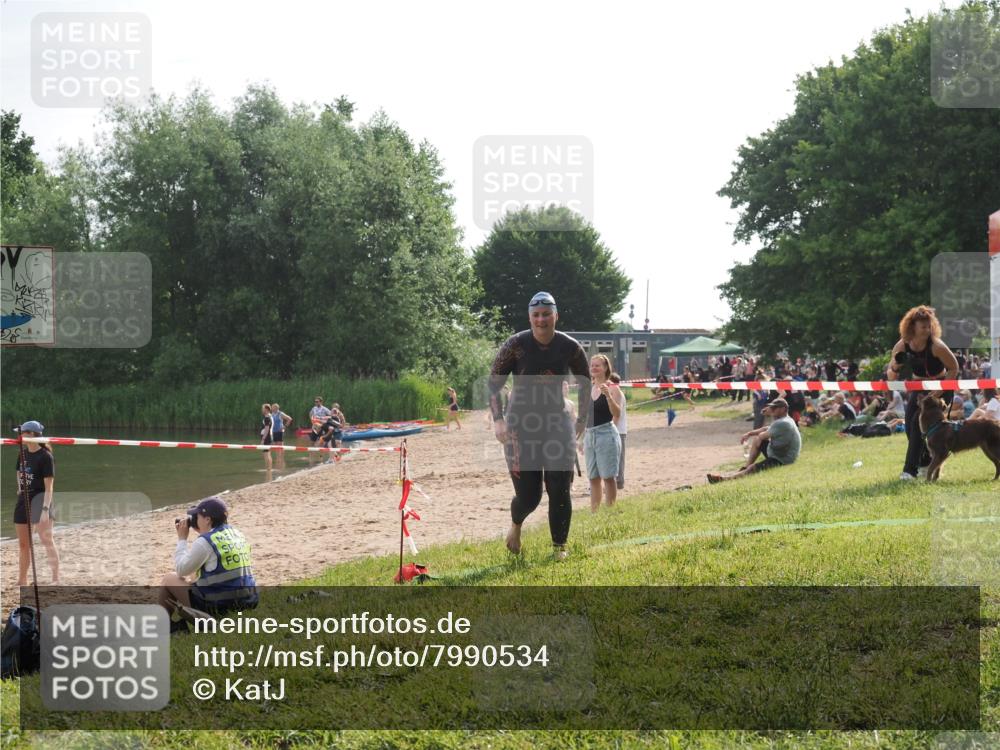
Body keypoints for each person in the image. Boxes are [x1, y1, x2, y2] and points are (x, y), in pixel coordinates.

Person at [489, 291, 589, 561]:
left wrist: (582, 419)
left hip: (557, 421)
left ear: (556, 316)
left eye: (546, 314)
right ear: (530, 317)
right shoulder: (515, 345)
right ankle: (516, 525)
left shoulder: (569, 346)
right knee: (529, 497)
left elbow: (586, 381)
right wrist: (498, 420)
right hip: (520, 426)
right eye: (536, 315)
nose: (541, 320)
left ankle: (559, 547)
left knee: (559, 485)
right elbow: (493, 383)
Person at [887, 305, 959, 480]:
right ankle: (927, 463)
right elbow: (891, 376)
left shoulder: (937, 346)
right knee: (910, 428)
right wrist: (895, 366)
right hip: (919, 388)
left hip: (940, 387)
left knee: (915, 422)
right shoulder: (902, 345)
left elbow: (954, 368)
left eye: (929, 326)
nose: (927, 330)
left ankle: (909, 471)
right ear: (912, 327)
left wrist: (939, 390)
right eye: (923, 327)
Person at [158, 496, 258, 621]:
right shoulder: (238, 534)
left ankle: (162, 624)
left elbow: (181, 570)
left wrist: (182, 539)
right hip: (248, 601)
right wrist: (202, 531)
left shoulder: (205, 541)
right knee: (193, 577)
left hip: (219, 607)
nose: (195, 520)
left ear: (207, 519)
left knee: (168, 579)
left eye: (197, 516)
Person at [707, 398, 801, 483]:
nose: (772, 409)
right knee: (757, 440)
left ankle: (724, 479)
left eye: (774, 408)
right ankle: (745, 468)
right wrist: (749, 434)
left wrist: (769, 416)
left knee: (753, 468)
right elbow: (766, 428)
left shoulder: (782, 423)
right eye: (771, 407)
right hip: (780, 453)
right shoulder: (785, 419)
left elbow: (762, 436)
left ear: (783, 409)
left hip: (783, 459)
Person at [13, 420, 60, 585]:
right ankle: (22, 580)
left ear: (31, 434)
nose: (19, 436)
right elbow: (18, 472)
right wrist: (20, 487)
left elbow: (49, 487)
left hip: (41, 500)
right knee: (24, 544)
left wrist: (45, 510)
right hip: (23, 500)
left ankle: (55, 578)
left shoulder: (45, 456)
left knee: (47, 540)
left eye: (22, 433)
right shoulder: (22, 453)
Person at [585, 355, 623, 511]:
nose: (594, 368)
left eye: (597, 365)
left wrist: (608, 396)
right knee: (593, 478)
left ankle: (610, 512)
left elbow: (617, 413)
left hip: (606, 434)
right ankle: (595, 513)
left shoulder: (613, 388)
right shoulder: (588, 388)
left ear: (606, 367)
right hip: (589, 435)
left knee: (608, 477)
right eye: (592, 365)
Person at [609, 373, 628, 490]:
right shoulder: (614, 394)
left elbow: (617, 415)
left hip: (619, 430)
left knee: (619, 458)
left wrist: (611, 429)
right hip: (617, 429)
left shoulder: (618, 394)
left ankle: (619, 482)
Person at [270, 403, 292, 469]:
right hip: (273, 432)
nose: (271, 408)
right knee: (275, 445)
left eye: (273, 407)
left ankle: (281, 459)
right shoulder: (272, 414)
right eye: (271, 407)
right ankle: (278, 458)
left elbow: (289, 419)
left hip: (279, 431)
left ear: (276, 408)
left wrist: (284, 427)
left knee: (280, 445)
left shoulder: (280, 413)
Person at [259, 404, 273, 473]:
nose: (262, 410)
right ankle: (269, 469)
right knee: (268, 454)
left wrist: (263, 439)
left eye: (263, 409)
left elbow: (267, 429)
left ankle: (268, 469)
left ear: (266, 409)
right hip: (268, 437)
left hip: (266, 437)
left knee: (266, 454)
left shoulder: (267, 418)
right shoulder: (270, 416)